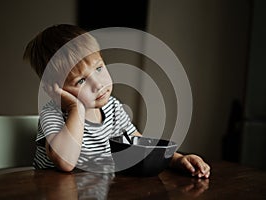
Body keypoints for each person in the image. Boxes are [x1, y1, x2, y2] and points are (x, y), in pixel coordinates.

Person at [23, 24, 210, 178]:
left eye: (98, 68)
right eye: (80, 81)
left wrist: (176, 160)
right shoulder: (52, 114)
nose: (97, 84)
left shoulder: (112, 108)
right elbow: (65, 163)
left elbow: (138, 144)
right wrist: (76, 108)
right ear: (54, 89)